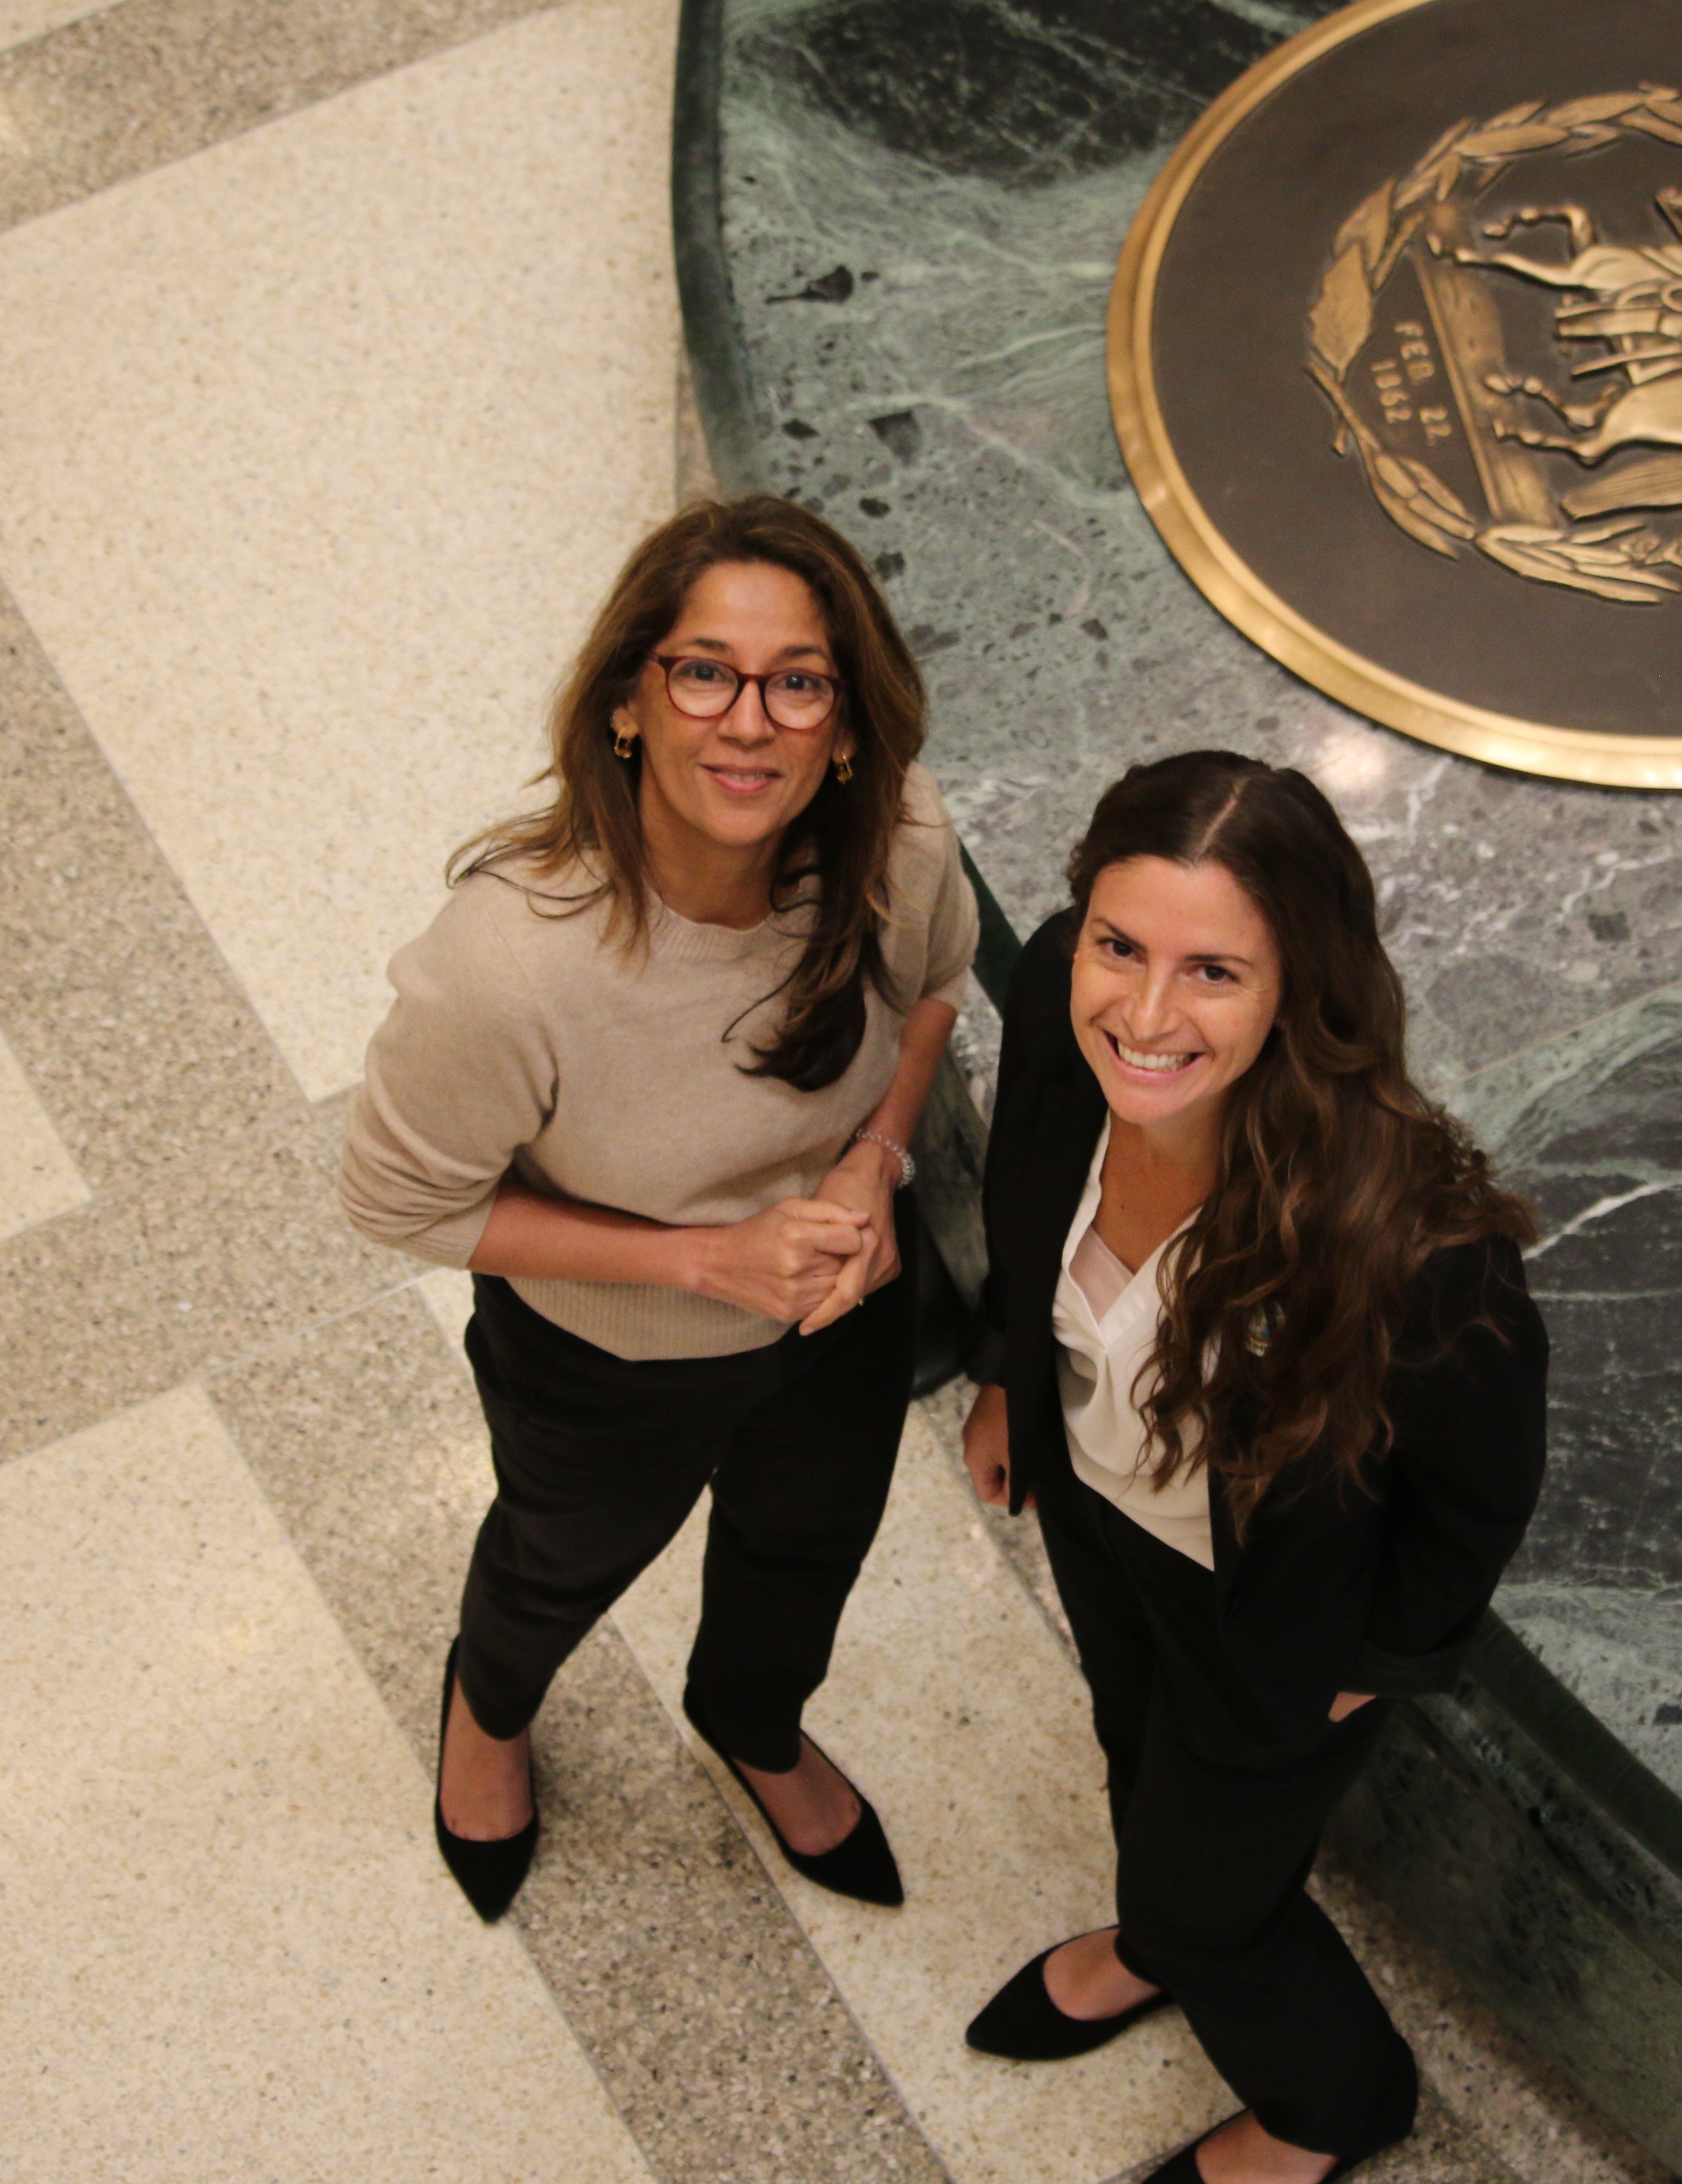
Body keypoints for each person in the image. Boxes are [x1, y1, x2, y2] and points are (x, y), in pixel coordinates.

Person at [338, 496, 975, 1922]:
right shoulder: (510, 965)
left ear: (850, 724)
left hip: (844, 1312)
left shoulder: (901, 841)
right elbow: (399, 1196)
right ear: (631, 700)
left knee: (806, 1550)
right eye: (705, 671)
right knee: (557, 1561)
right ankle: (489, 1711)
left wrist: (874, 1162)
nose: (750, 722)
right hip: (605, 1360)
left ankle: (751, 1722)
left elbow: (935, 991)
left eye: (798, 682)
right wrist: (702, 1261)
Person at [957, 752, 1546, 2184]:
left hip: (1274, 1612)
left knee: (1220, 1899)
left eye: (1212, 971)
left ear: (1301, 986)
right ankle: (1157, 1940)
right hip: (1100, 1517)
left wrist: (1383, 1655)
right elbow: (1024, 1188)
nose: (1143, 1017)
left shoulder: (1411, 1241)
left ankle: (1331, 2102)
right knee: (1127, 1737)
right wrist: (1003, 1378)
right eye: (1121, 947)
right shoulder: (1055, 998)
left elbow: (1479, 1487)